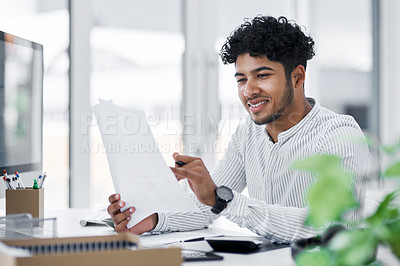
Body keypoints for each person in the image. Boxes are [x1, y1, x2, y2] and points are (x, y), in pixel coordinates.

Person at [107, 15, 368, 243]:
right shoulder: (248, 133)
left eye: (262, 75)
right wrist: (152, 220)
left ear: (297, 77)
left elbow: (330, 226)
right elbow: (206, 206)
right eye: (242, 79)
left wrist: (222, 199)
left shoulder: (338, 134)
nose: (248, 90)